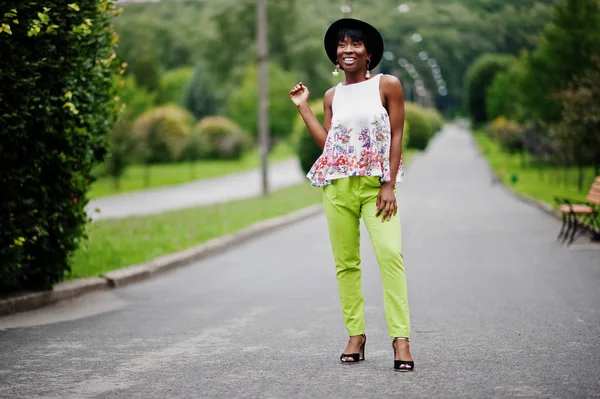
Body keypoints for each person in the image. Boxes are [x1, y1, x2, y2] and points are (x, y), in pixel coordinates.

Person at [289, 18, 414, 372]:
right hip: (337, 187)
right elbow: (329, 145)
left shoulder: (387, 85)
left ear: (369, 52)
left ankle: (400, 338)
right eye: (342, 45)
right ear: (335, 54)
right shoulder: (332, 95)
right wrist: (303, 107)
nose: (348, 50)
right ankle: (355, 335)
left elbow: (397, 134)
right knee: (346, 264)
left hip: (376, 188)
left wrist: (388, 183)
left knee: (390, 256)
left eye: (355, 44)